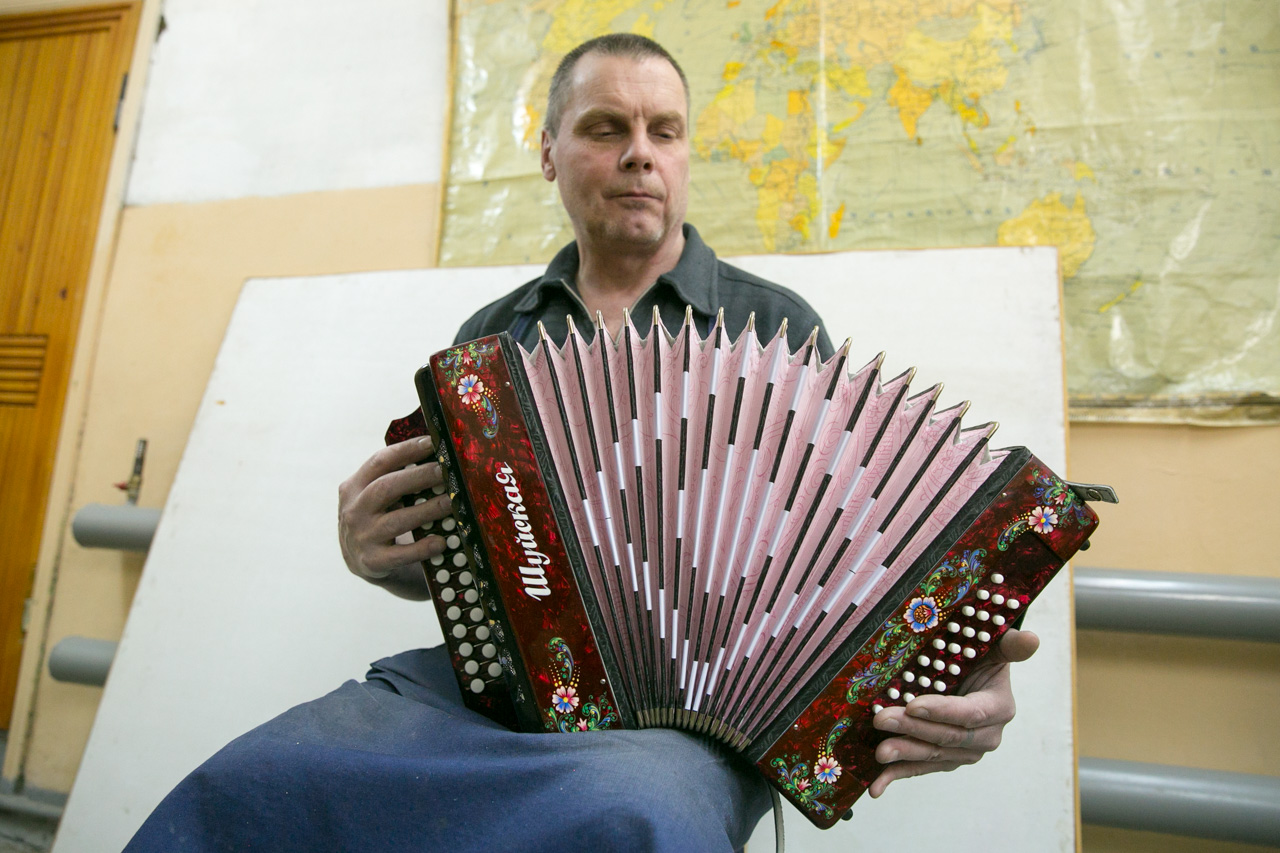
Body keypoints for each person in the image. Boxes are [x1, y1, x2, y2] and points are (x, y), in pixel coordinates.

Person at [127, 34, 1039, 853]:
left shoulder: (777, 328)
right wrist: (382, 555)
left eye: (666, 130)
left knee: (629, 811)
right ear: (549, 153)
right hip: (506, 699)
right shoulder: (491, 341)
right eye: (606, 127)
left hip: (700, 732)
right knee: (263, 777)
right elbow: (468, 562)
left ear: (684, 157)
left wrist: (960, 671)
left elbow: (857, 560)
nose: (640, 152)